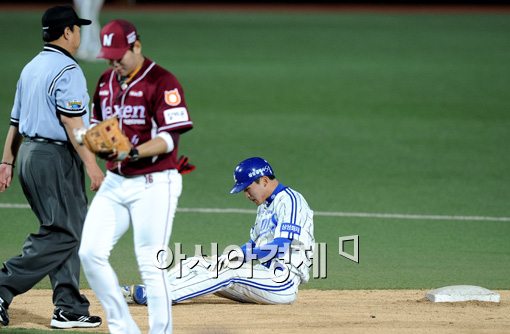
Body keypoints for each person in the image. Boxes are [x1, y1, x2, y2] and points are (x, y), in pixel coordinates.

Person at [78, 19, 193, 334]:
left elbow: (170, 139)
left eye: (120, 55)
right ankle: (123, 328)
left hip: (155, 182)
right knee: (90, 253)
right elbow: (95, 126)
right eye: (109, 56)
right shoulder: (105, 82)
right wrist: (90, 141)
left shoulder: (162, 82)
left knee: (150, 263)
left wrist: (132, 151)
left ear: (136, 46)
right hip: (116, 182)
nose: (114, 62)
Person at [0, 5, 104, 329]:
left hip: (30, 155)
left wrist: (7, 161)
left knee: (65, 228)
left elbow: (15, 123)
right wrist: (92, 166)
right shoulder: (67, 70)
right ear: (67, 32)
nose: (79, 34)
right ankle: (3, 286)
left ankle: (69, 307)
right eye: (77, 28)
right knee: (63, 233)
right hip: (54, 158)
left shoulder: (32, 68)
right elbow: (73, 124)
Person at [123, 157, 315, 306]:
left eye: (248, 189)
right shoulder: (264, 207)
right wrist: (229, 256)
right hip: (261, 276)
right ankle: (149, 289)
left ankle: (158, 298)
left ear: (264, 180)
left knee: (228, 272)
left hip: (282, 281)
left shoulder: (290, 200)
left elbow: (281, 246)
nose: (246, 195)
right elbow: (255, 244)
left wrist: (243, 255)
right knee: (197, 263)